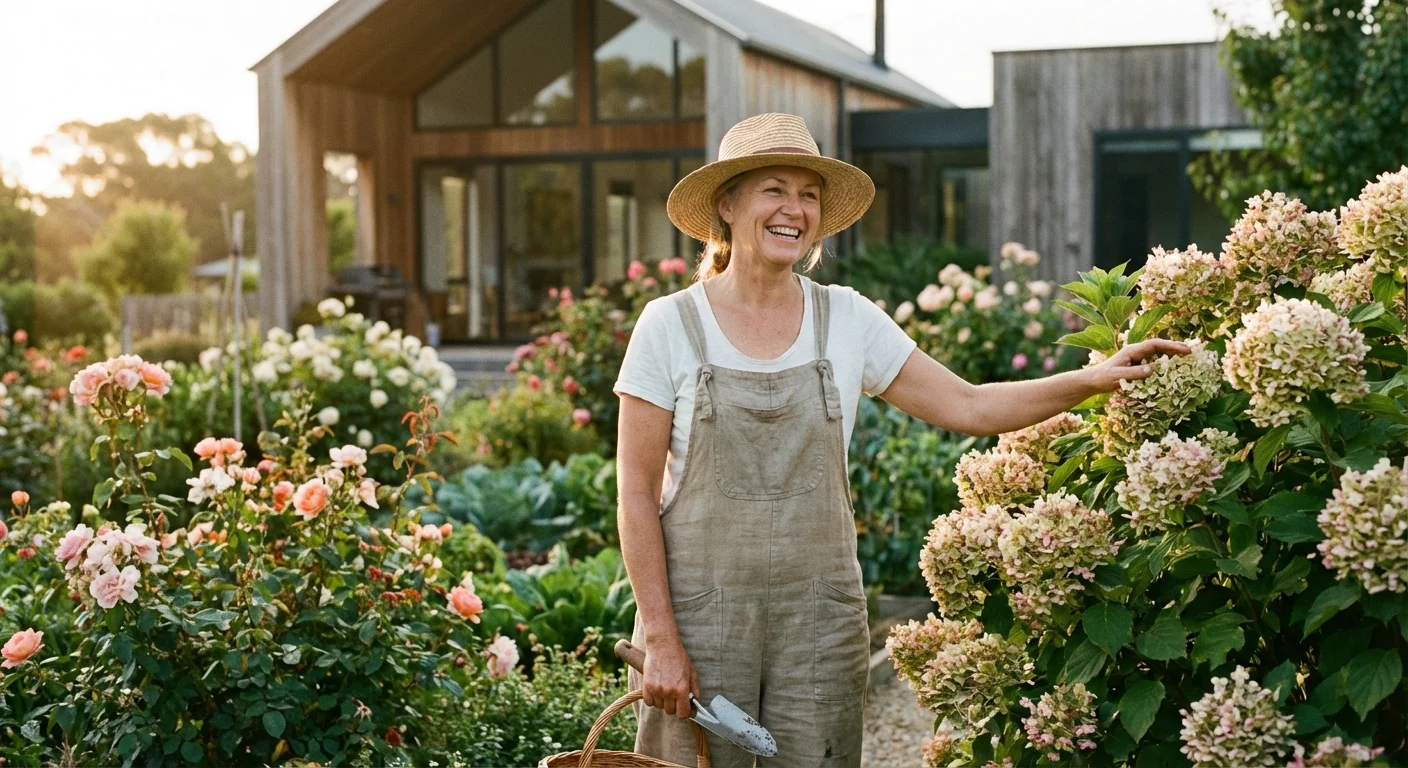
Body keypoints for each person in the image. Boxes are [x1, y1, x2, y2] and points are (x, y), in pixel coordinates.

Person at [612, 113, 1186, 767]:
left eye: (808, 195)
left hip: (818, 627)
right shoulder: (669, 326)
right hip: (698, 620)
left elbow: (968, 404)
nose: (793, 210)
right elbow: (634, 491)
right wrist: (660, 636)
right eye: (775, 189)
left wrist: (1095, 379)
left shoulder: (847, 319)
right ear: (727, 203)